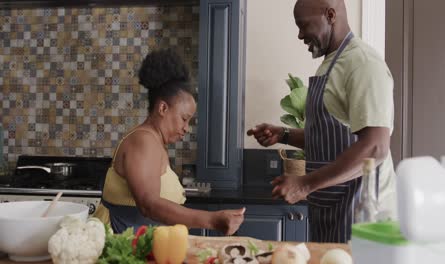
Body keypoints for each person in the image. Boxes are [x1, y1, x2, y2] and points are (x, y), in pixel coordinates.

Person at [247, 0, 397, 243]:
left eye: (303, 25)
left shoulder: (362, 64)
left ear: (330, 15)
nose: (299, 34)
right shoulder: (331, 64)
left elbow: (375, 147)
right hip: (333, 209)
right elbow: (335, 138)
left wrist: (304, 185)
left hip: (364, 218)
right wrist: (284, 134)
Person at [94, 48, 245, 235]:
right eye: (184, 118)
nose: (186, 128)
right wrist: (211, 220)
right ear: (163, 108)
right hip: (126, 248)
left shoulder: (153, 142)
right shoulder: (144, 141)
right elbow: (148, 204)